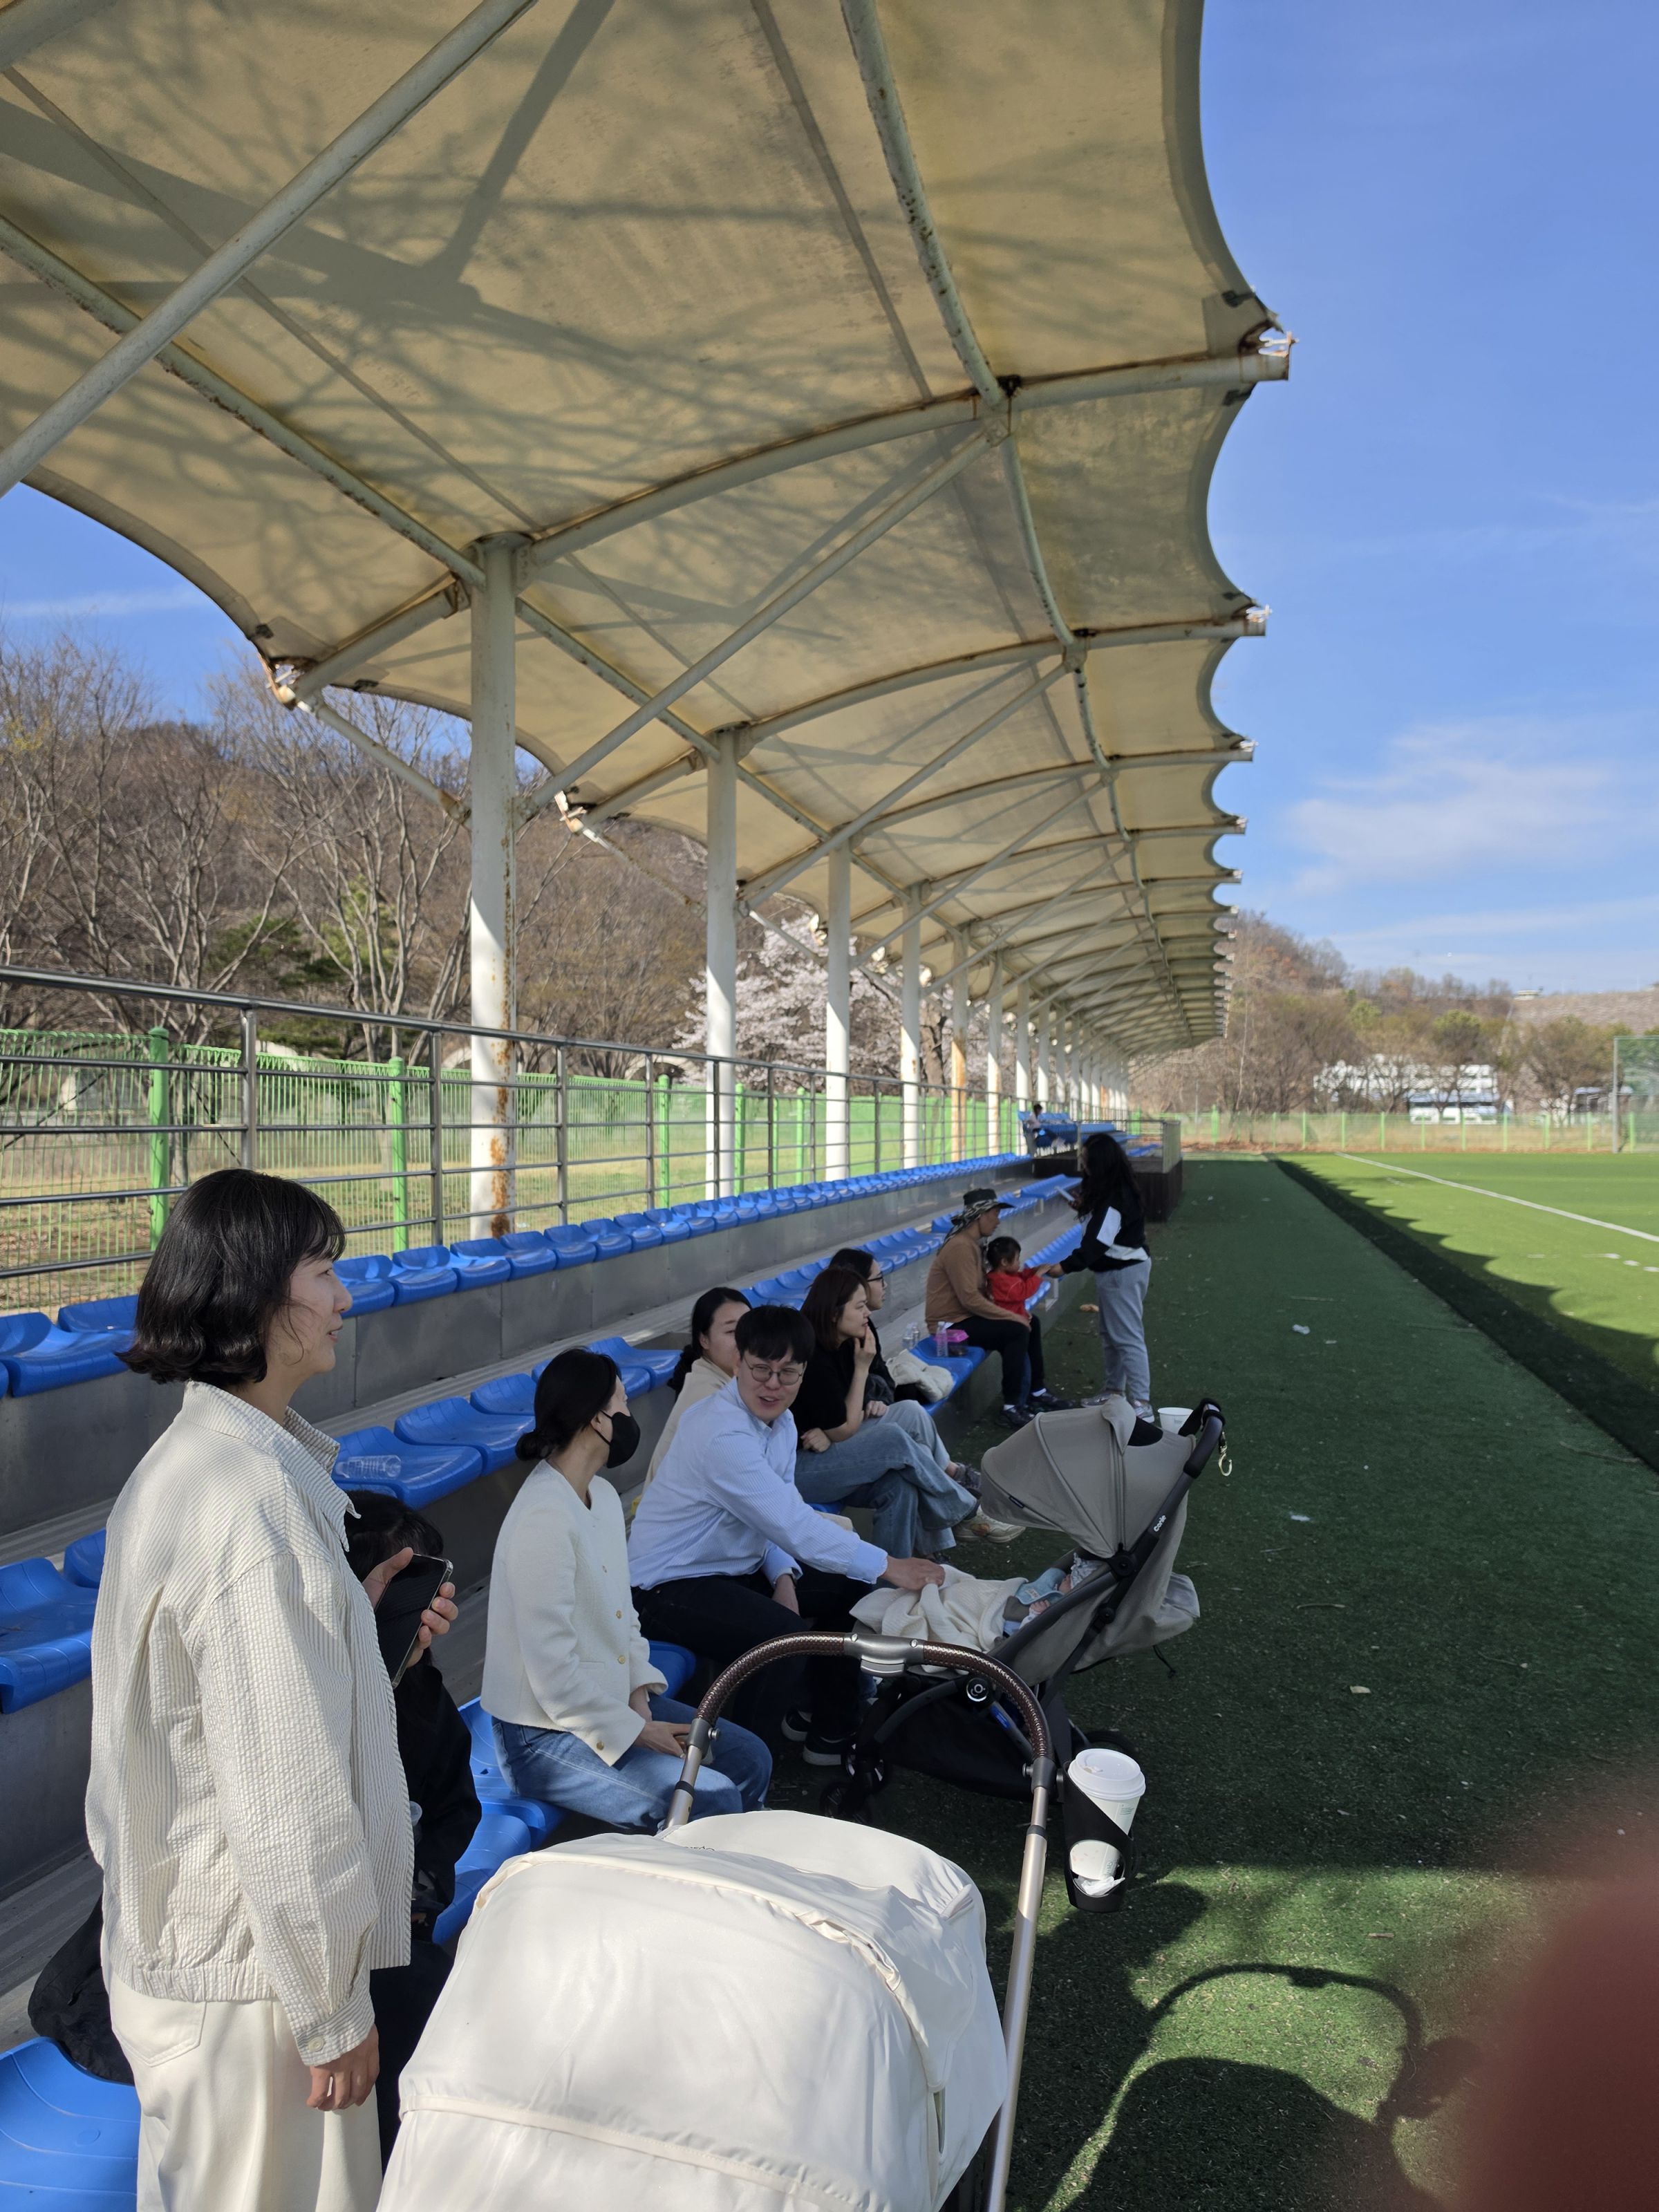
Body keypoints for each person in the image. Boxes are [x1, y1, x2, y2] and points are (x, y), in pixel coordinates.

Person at [90, 1167, 456, 2212]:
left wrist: (356, 1635)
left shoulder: (214, 1468)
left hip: (231, 1967)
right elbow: (283, 1794)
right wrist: (332, 2008)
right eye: (323, 1271)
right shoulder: (245, 1504)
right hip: (254, 1987)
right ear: (255, 1294)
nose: (345, 1296)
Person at [628, 1304, 946, 1764]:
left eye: (788, 1373)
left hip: (728, 1569)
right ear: (738, 1364)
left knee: (847, 1588)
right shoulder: (721, 1434)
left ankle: (828, 1728)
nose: (773, 1385)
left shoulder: (780, 1423)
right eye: (761, 1370)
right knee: (782, 1639)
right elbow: (792, 1524)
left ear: (803, 1373)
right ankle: (739, 1764)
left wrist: (783, 1577)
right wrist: (891, 1565)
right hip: (663, 1586)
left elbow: (778, 1514)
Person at [484, 1348, 771, 1828]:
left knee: (749, 1758)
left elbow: (624, 1613)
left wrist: (639, 1695)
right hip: (541, 1737)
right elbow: (552, 1677)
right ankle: (698, 1869)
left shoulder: (600, 1496)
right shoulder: (543, 1519)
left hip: (608, 1702)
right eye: (621, 1402)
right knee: (710, 1796)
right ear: (596, 1419)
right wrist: (637, 1730)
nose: (628, 1414)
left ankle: (733, 1856)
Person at [341, 1494, 479, 2167]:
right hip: (342, 1944)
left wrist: (422, 1886)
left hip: (402, 1922)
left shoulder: (423, 1688)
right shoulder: (323, 1693)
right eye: (405, 1588)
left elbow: (457, 1806)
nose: (430, 1610)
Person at [791, 1266, 1018, 1550]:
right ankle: (965, 1511)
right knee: (893, 1440)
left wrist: (835, 1428)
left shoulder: (850, 1340)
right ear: (834, 1313)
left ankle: (916, 1563)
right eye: (860, 1307)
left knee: (908, 1424)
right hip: (797, 1469)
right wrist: (860, 1371)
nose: (867, 1313)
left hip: (830, 1448)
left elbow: (850, 1411)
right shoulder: (813, 1353)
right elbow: (843, 1429)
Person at [924, 1187, 1036, 1427]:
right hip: (949, 1327)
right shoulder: (960, 1247)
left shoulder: (972, 1244)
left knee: (1030, 1322)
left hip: (965, 1319)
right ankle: (1011, 1407)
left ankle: (1036, 1392)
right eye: (995, 1214)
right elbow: (970, 1300)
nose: (998, 1221)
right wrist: (1011, 1317)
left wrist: (1015, 1314)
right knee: (1016, 1330)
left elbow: (978, 1297)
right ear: (980, 1216)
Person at [1060, 1130, 1153, 1411]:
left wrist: (1064, 1266)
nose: (1083, 1165)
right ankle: (1114, 1391)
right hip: (1116, 1270)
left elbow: (1098, 1242)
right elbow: (1104, 1224)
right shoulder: (1112, 1189)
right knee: (1112, 1334)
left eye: (1086, 1160)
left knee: (1126, 1336)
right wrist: (1085, 1206)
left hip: (1122, 1272)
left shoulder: (1116, 1195)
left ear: (1099, 1163)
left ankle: (1142, 1403)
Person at [642, 1285, 749, 1486]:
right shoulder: (707, 1397)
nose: (744, 1340)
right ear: (704, 1340)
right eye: (731, 1331)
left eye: (749, 1329)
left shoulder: (726, 1382)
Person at [983, 1234, 1071, 1411]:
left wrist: (1034, 1271)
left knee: (1034, 1326)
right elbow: (1023, 1291)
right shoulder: (1000, 1281)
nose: (1019, 1263)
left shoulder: (1005, 1275)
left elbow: (1021, 1277)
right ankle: (1017, 1405)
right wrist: (1038, 1275)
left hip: (1017, 1322)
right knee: (1022, 1367)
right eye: (1017, 1259)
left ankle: (1037, 1392)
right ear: (1004, 1262)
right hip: (1009, 1329)